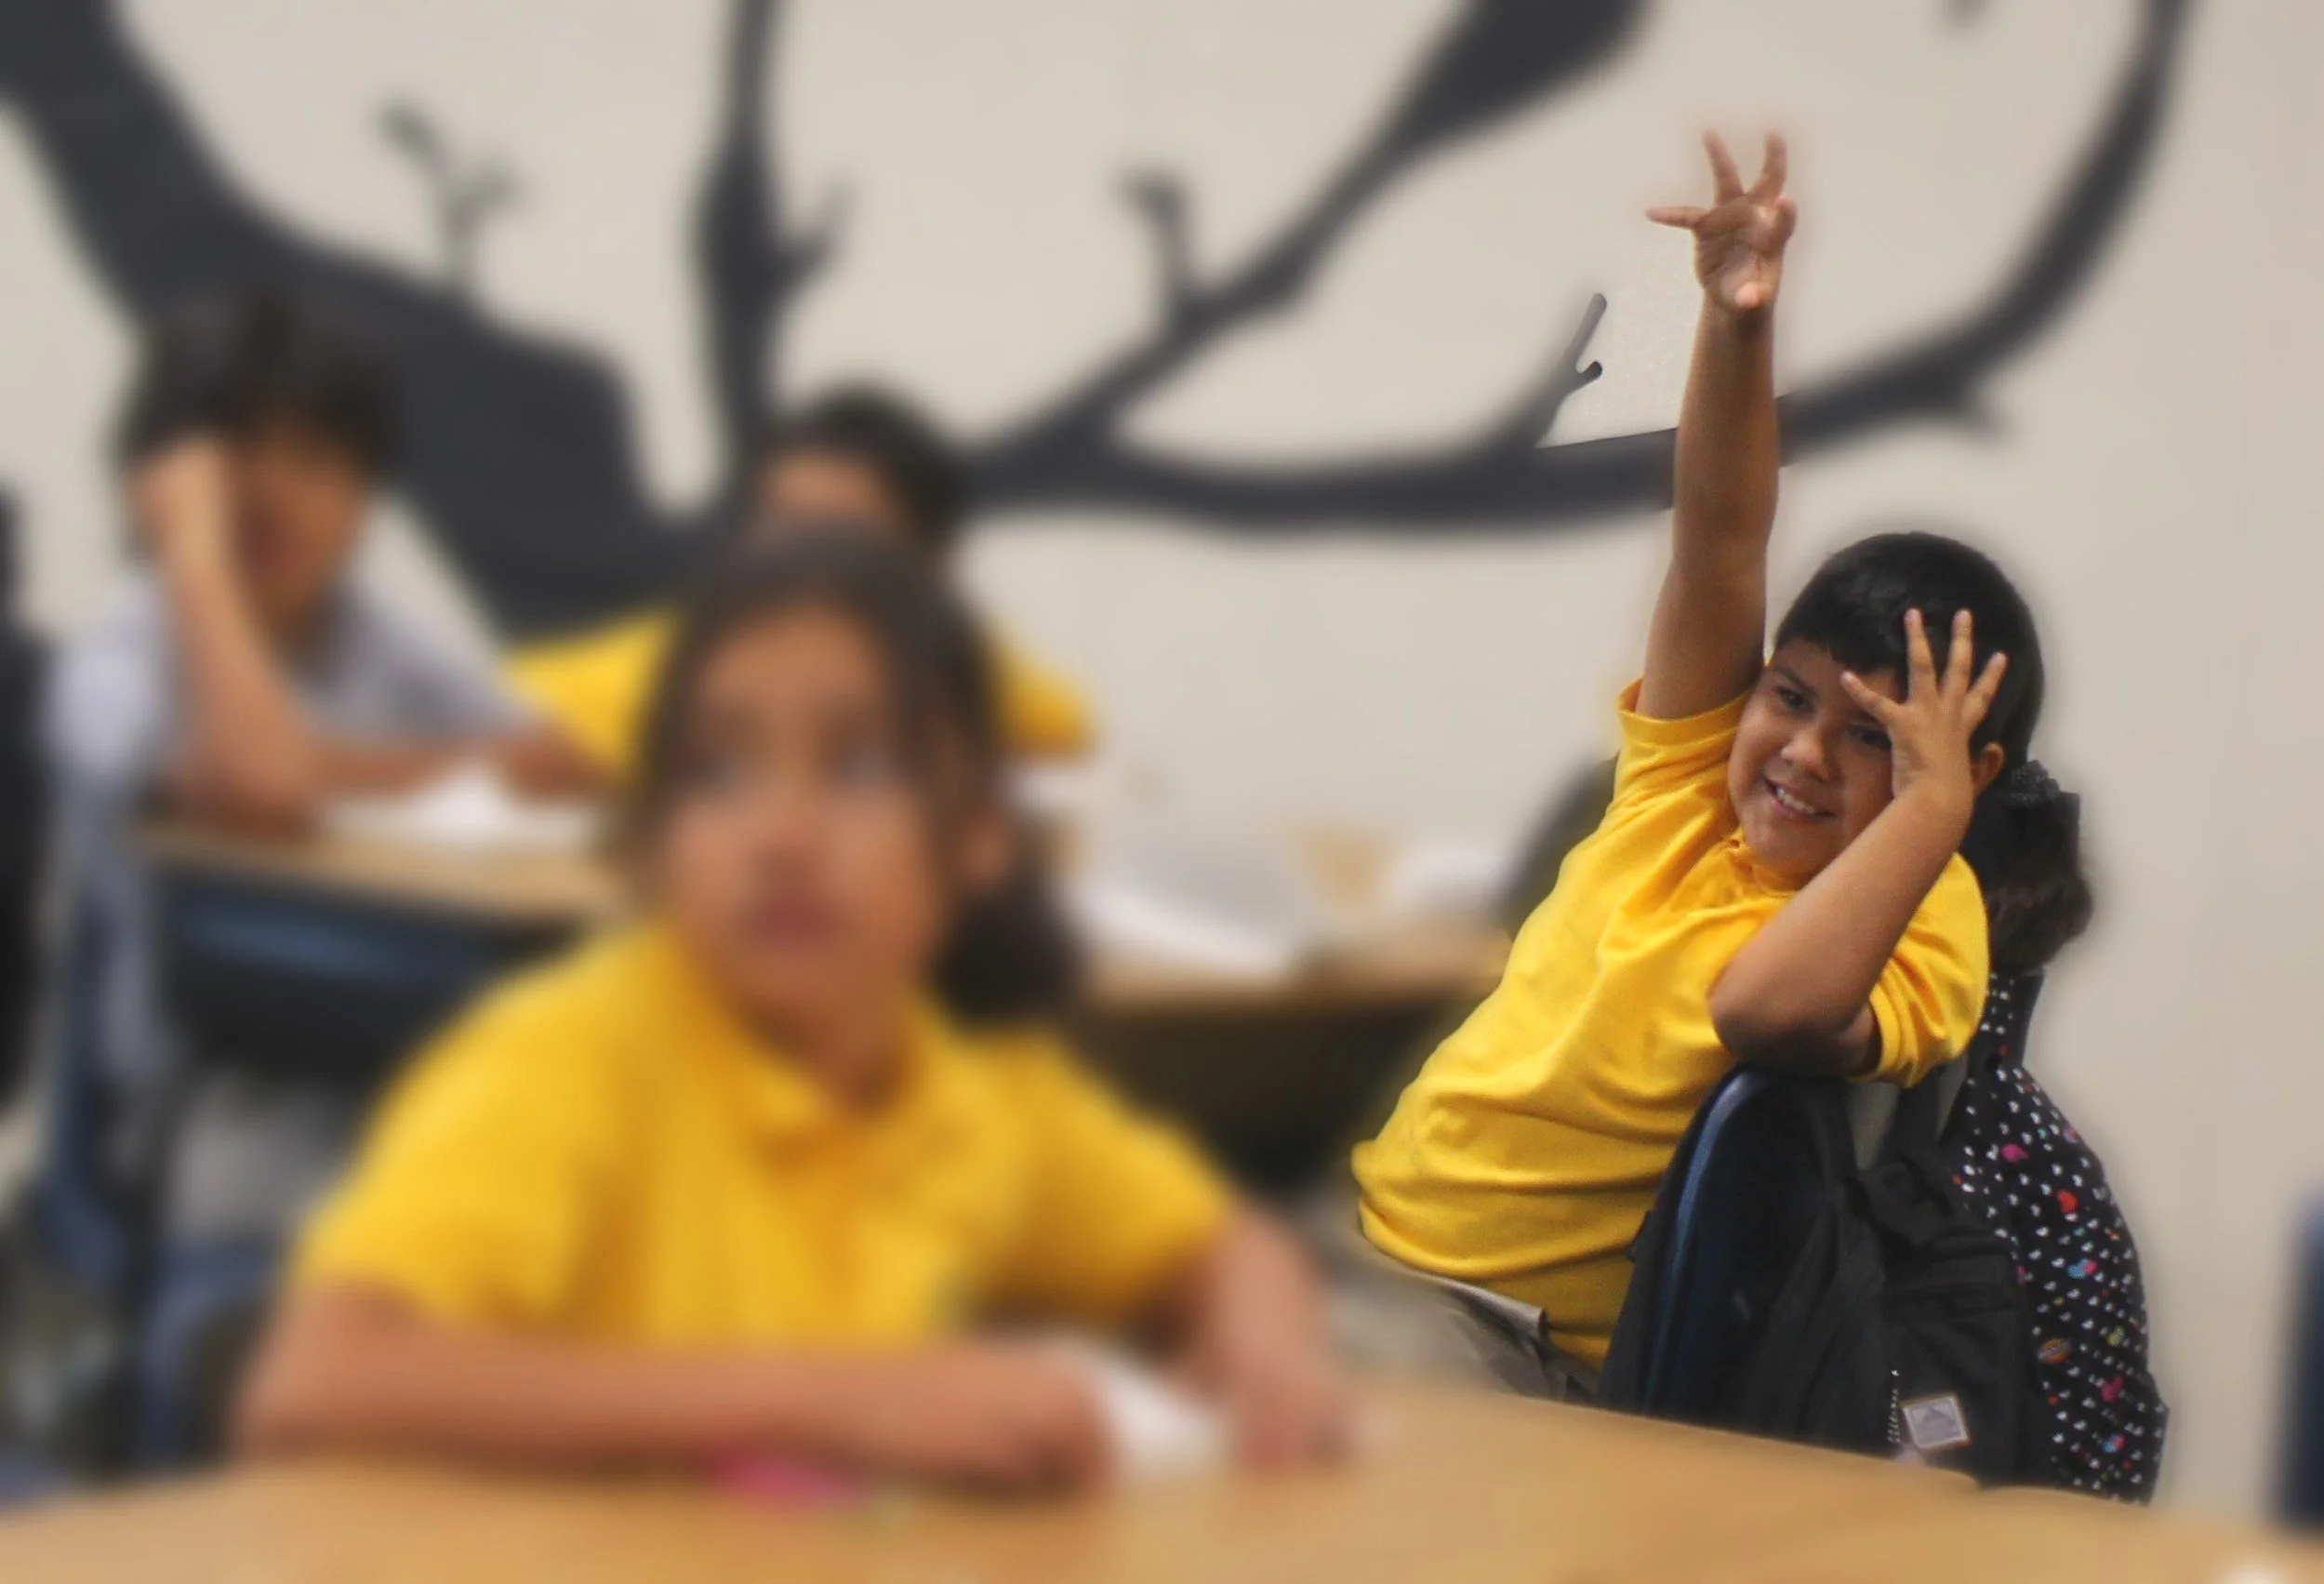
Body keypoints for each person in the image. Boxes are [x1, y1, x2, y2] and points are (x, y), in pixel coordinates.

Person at [235, 533, 1347, 1488]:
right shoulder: (570, 1047)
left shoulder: (966, 1087)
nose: (781, 833)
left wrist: (1265, 1329)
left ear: (978, 839)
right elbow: (316, 1379)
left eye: (857, 765)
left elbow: (1216, 1237)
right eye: (717, 773)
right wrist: (833, 1397)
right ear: (654, 834)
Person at [1353, 133, 2020, 1379]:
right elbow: (1719, 534)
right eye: (1789, 696)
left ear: (1949, 779)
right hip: (1358, 1252)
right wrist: (1733, 322)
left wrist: (1933, 812)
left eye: (1873, 737)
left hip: (1488, 1336)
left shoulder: (1927, 915)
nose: (1803, 753)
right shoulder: (1684, 784)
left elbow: (1760, 1009)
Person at [44, 287, 588, 1258]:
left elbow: (564, 764)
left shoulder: (368, 633)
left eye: (315, 461)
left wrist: (335, 769)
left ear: (365, 501)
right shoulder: (116, 663)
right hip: (217, 1096)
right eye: (238, 455)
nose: (273, 492)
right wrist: (195, 561)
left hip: (404, 1048)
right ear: (166, 479)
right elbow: (264, 788)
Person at [507, 386, 1094, 781]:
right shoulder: (704, 642)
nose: (792, 559)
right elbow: (535, 759)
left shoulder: (962, 659)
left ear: (931, 563)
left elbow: (1063, 740)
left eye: (836, 537)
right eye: (774, 524)